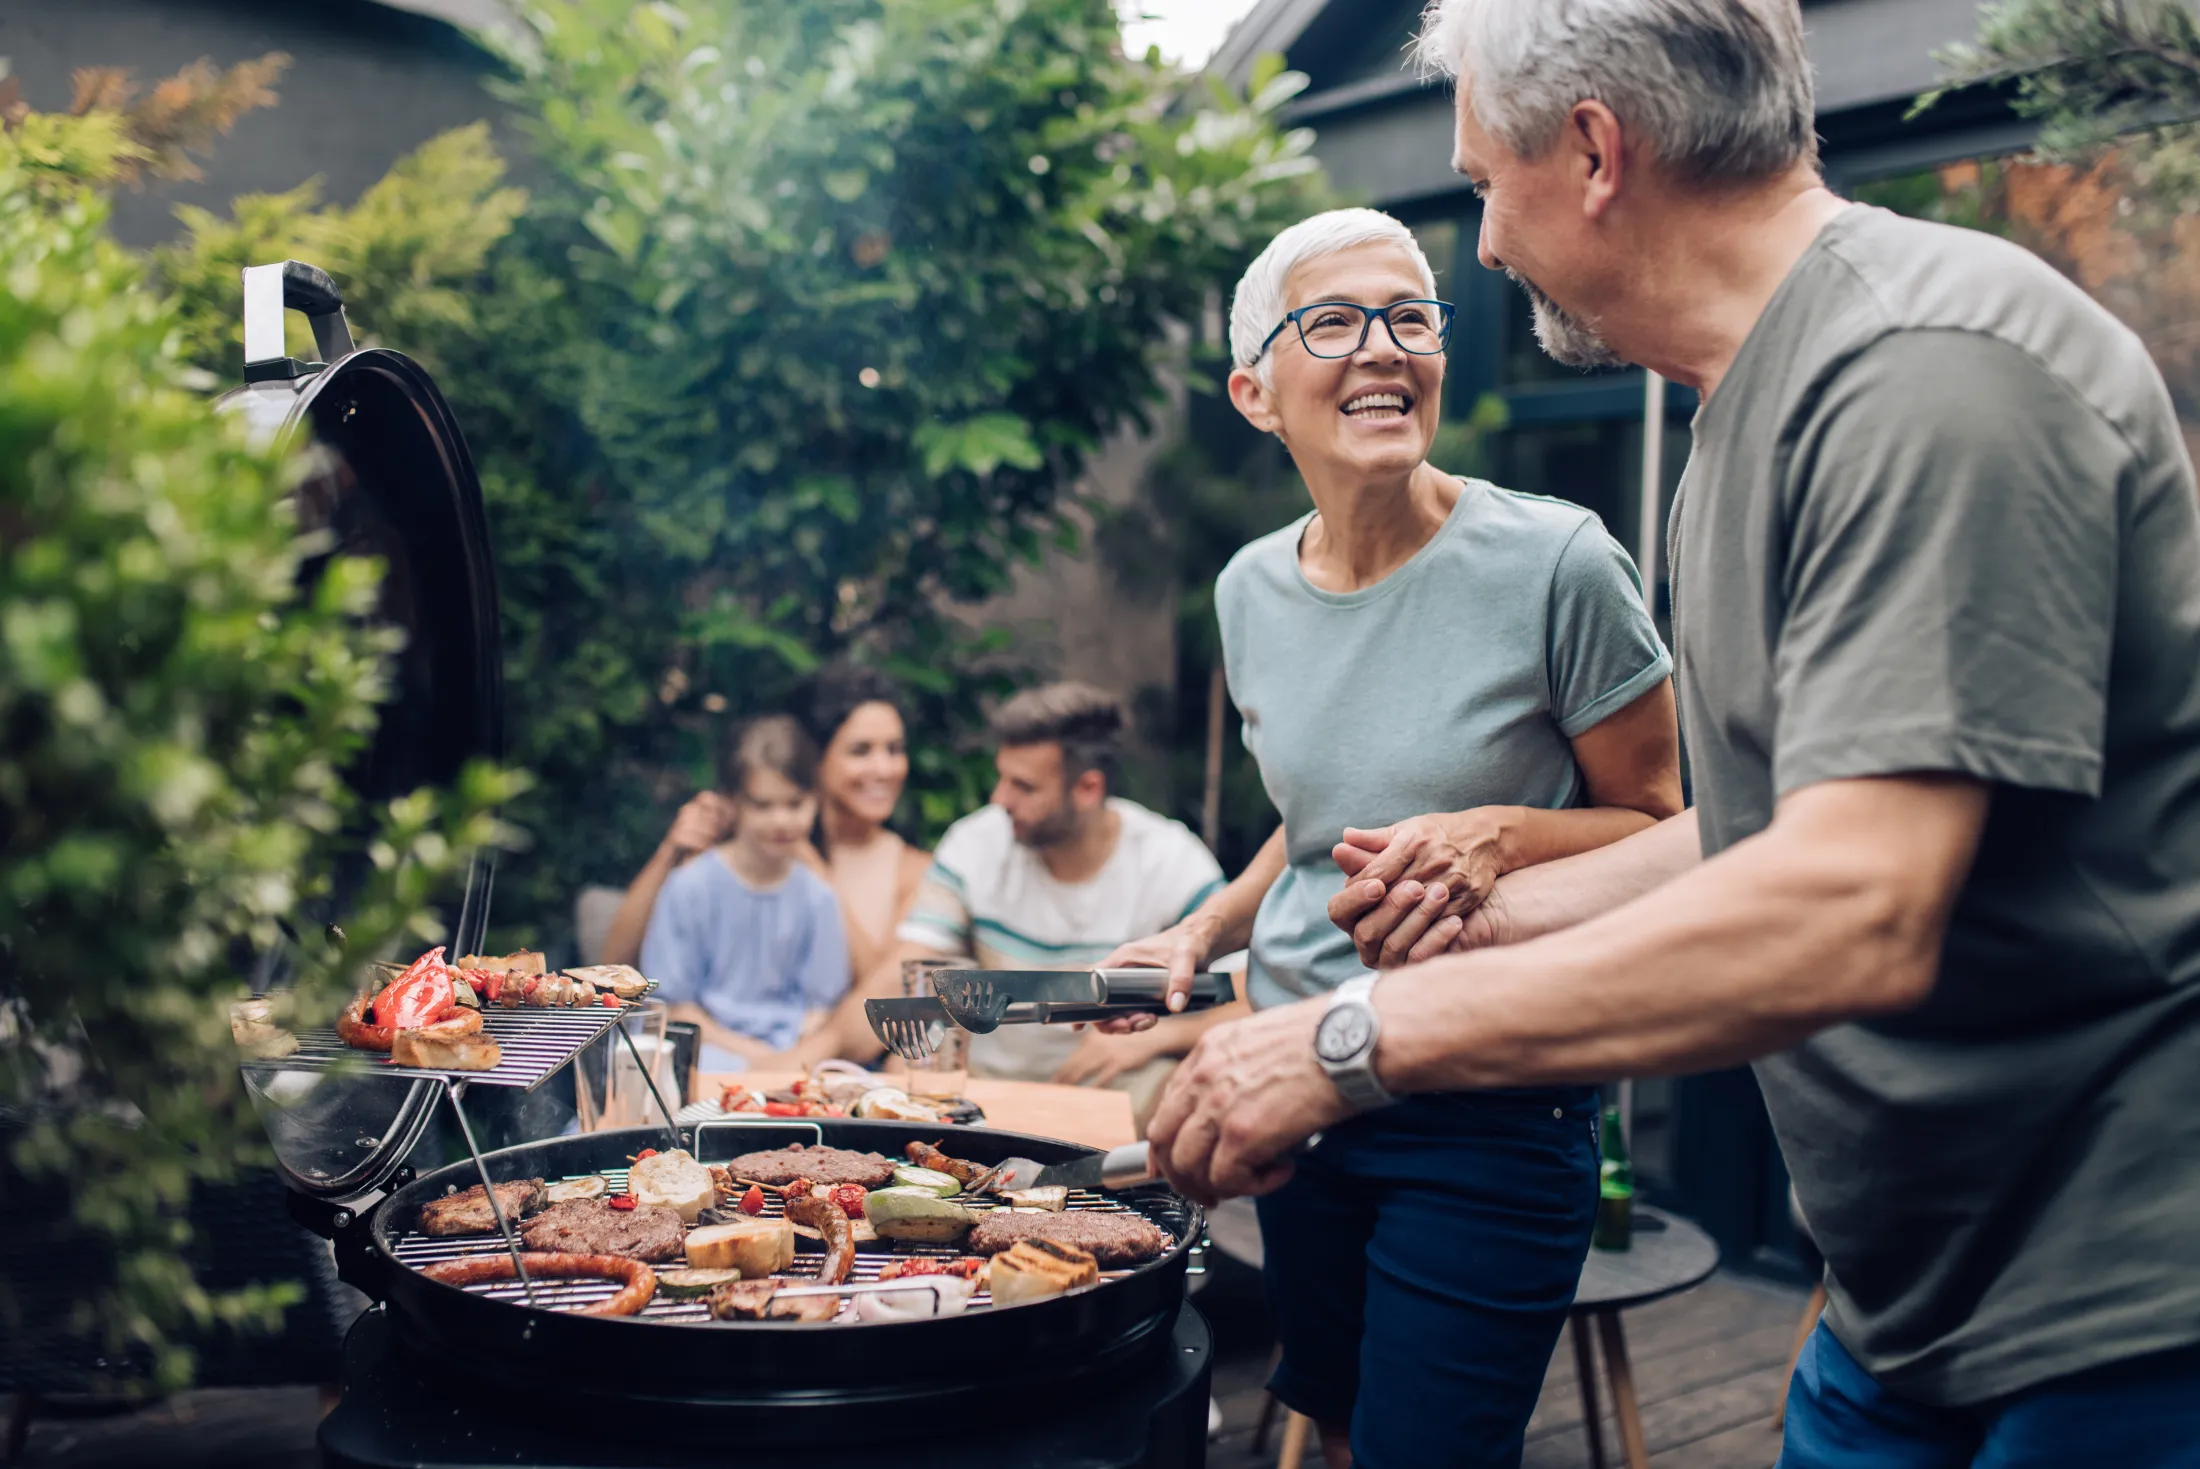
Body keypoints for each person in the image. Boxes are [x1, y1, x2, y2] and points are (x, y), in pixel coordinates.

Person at [1143, 2, 2200, 1467]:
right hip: (1906, 1299)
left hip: (2115, 1312)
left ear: (1590, 153)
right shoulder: (1739, 416)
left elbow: (1853, 905)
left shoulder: (1925, 368)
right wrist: (1479, 908)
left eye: (1483, 187)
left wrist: (1350, 1036)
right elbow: (1764, 824)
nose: (1487, 247)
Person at [1102, 206, 1681, 1469]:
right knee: (1352, 1424)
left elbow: (1665, 824)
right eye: (1333, 322)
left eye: (1408, 318)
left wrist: (1499, 832)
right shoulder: (1248, 587)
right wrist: (1205, 923)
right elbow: (1315, 820)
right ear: (1256, 392)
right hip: (1299, 1085)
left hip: (1489, 1096)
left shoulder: (1558, 560)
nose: (1380, 347)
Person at [791, 682, 1225, 1125]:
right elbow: (906, 976)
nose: (1000, 798)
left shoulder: (1172, 861)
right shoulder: (975, 844)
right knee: (902, 1067)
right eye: (1003, 777)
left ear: (1088, 788)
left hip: (1115, 1089)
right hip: (984, 1086)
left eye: (1023, 786)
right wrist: (800, 1061)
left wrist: (1154, 1039)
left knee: (1185, 1085)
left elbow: (1253, 996)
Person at [634, 715, 849, 1072]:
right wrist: (761, 1059)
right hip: (707, 1051)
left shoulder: (818, 897)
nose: (781, 820)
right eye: (763, 805)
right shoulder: (691, 886)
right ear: (733, 803)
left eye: (794, 804)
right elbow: (676, 1006)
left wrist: (791, 1057)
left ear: (815, 801)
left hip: (792, 1056)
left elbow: (820, 1008)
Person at [795, 664, 933, 987]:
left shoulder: (914, 872)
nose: (884, 769)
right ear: (815, 759)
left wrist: (817, 874)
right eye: (861, 751)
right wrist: (672, 851)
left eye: (894, 750)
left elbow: (884, 997)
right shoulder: (762, 843)